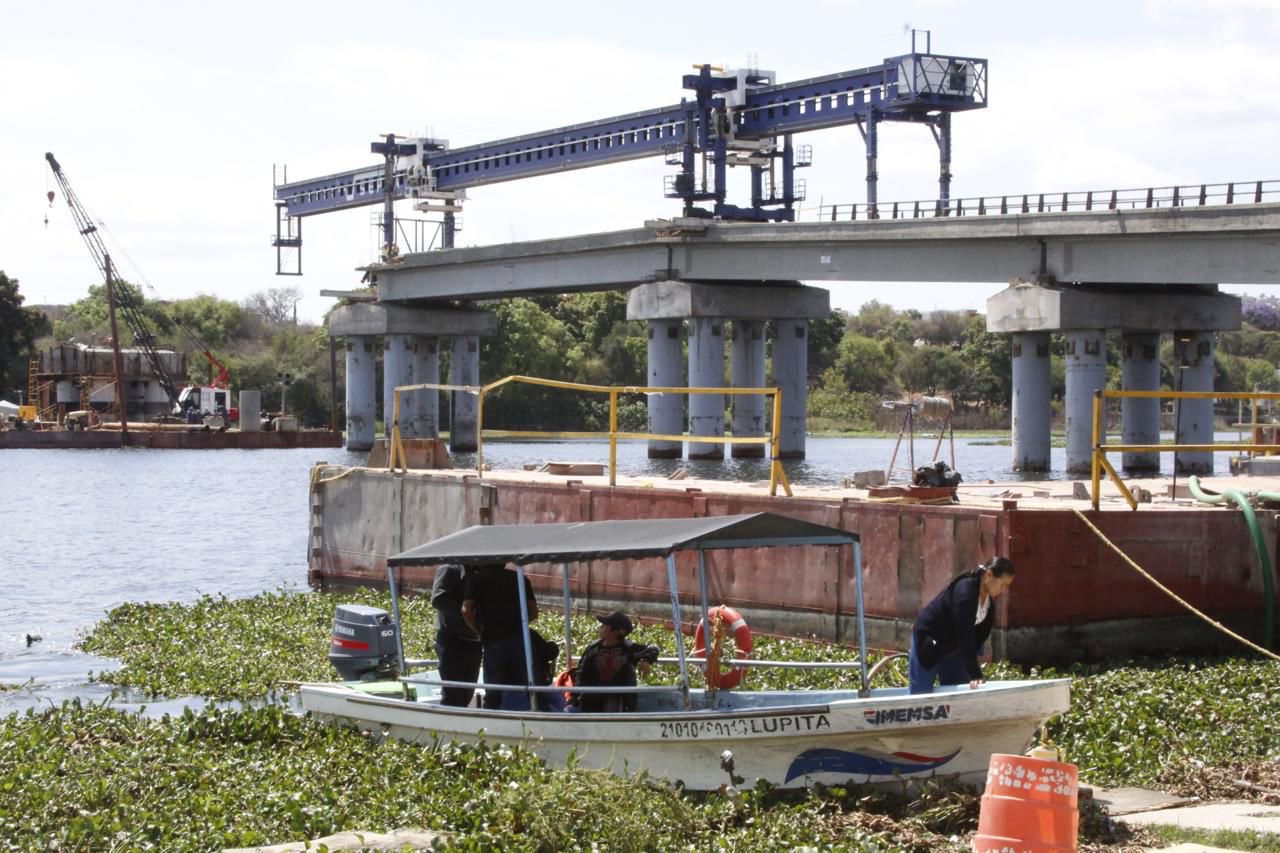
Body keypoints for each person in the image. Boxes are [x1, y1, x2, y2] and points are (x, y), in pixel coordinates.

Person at [908, 556, 1015, 694]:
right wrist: (975, 673)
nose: (1004, 590)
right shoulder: (965, 591)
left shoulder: (988, 601)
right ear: (989, 575)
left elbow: (977, 634)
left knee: (959, 693)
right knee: (920, 695)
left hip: (954, 647)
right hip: (929, 642)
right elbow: (965, 634)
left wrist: (973, 669)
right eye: (1003, 584)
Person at [462, 562, 538, 710]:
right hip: (519, 639)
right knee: (527, 684)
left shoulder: (476, 580)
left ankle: (492, 718)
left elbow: (466, 609)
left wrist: (478, 630)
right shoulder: (519, 578)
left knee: (493, 691)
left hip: (493, 639)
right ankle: (531, 714)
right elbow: (534, 612)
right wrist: (519, 623)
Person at [567, 611, 661, 713]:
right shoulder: (593, 648)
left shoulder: (628, 648)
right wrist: (575, 695)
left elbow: (653, 649)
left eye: (605, 625)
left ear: (618, 631)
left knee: (612, 704)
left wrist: (646, 660)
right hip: (592, 693)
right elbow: (581, 672)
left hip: (617, 695)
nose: (601, 627)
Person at [430, 563, 482, 707]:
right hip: (452, 640)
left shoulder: (478, 570)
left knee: (467, 692)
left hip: (474, 641)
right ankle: (447, 727)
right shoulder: (449, 568)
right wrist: (467, 615)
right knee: (453, 694)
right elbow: (438, 599)